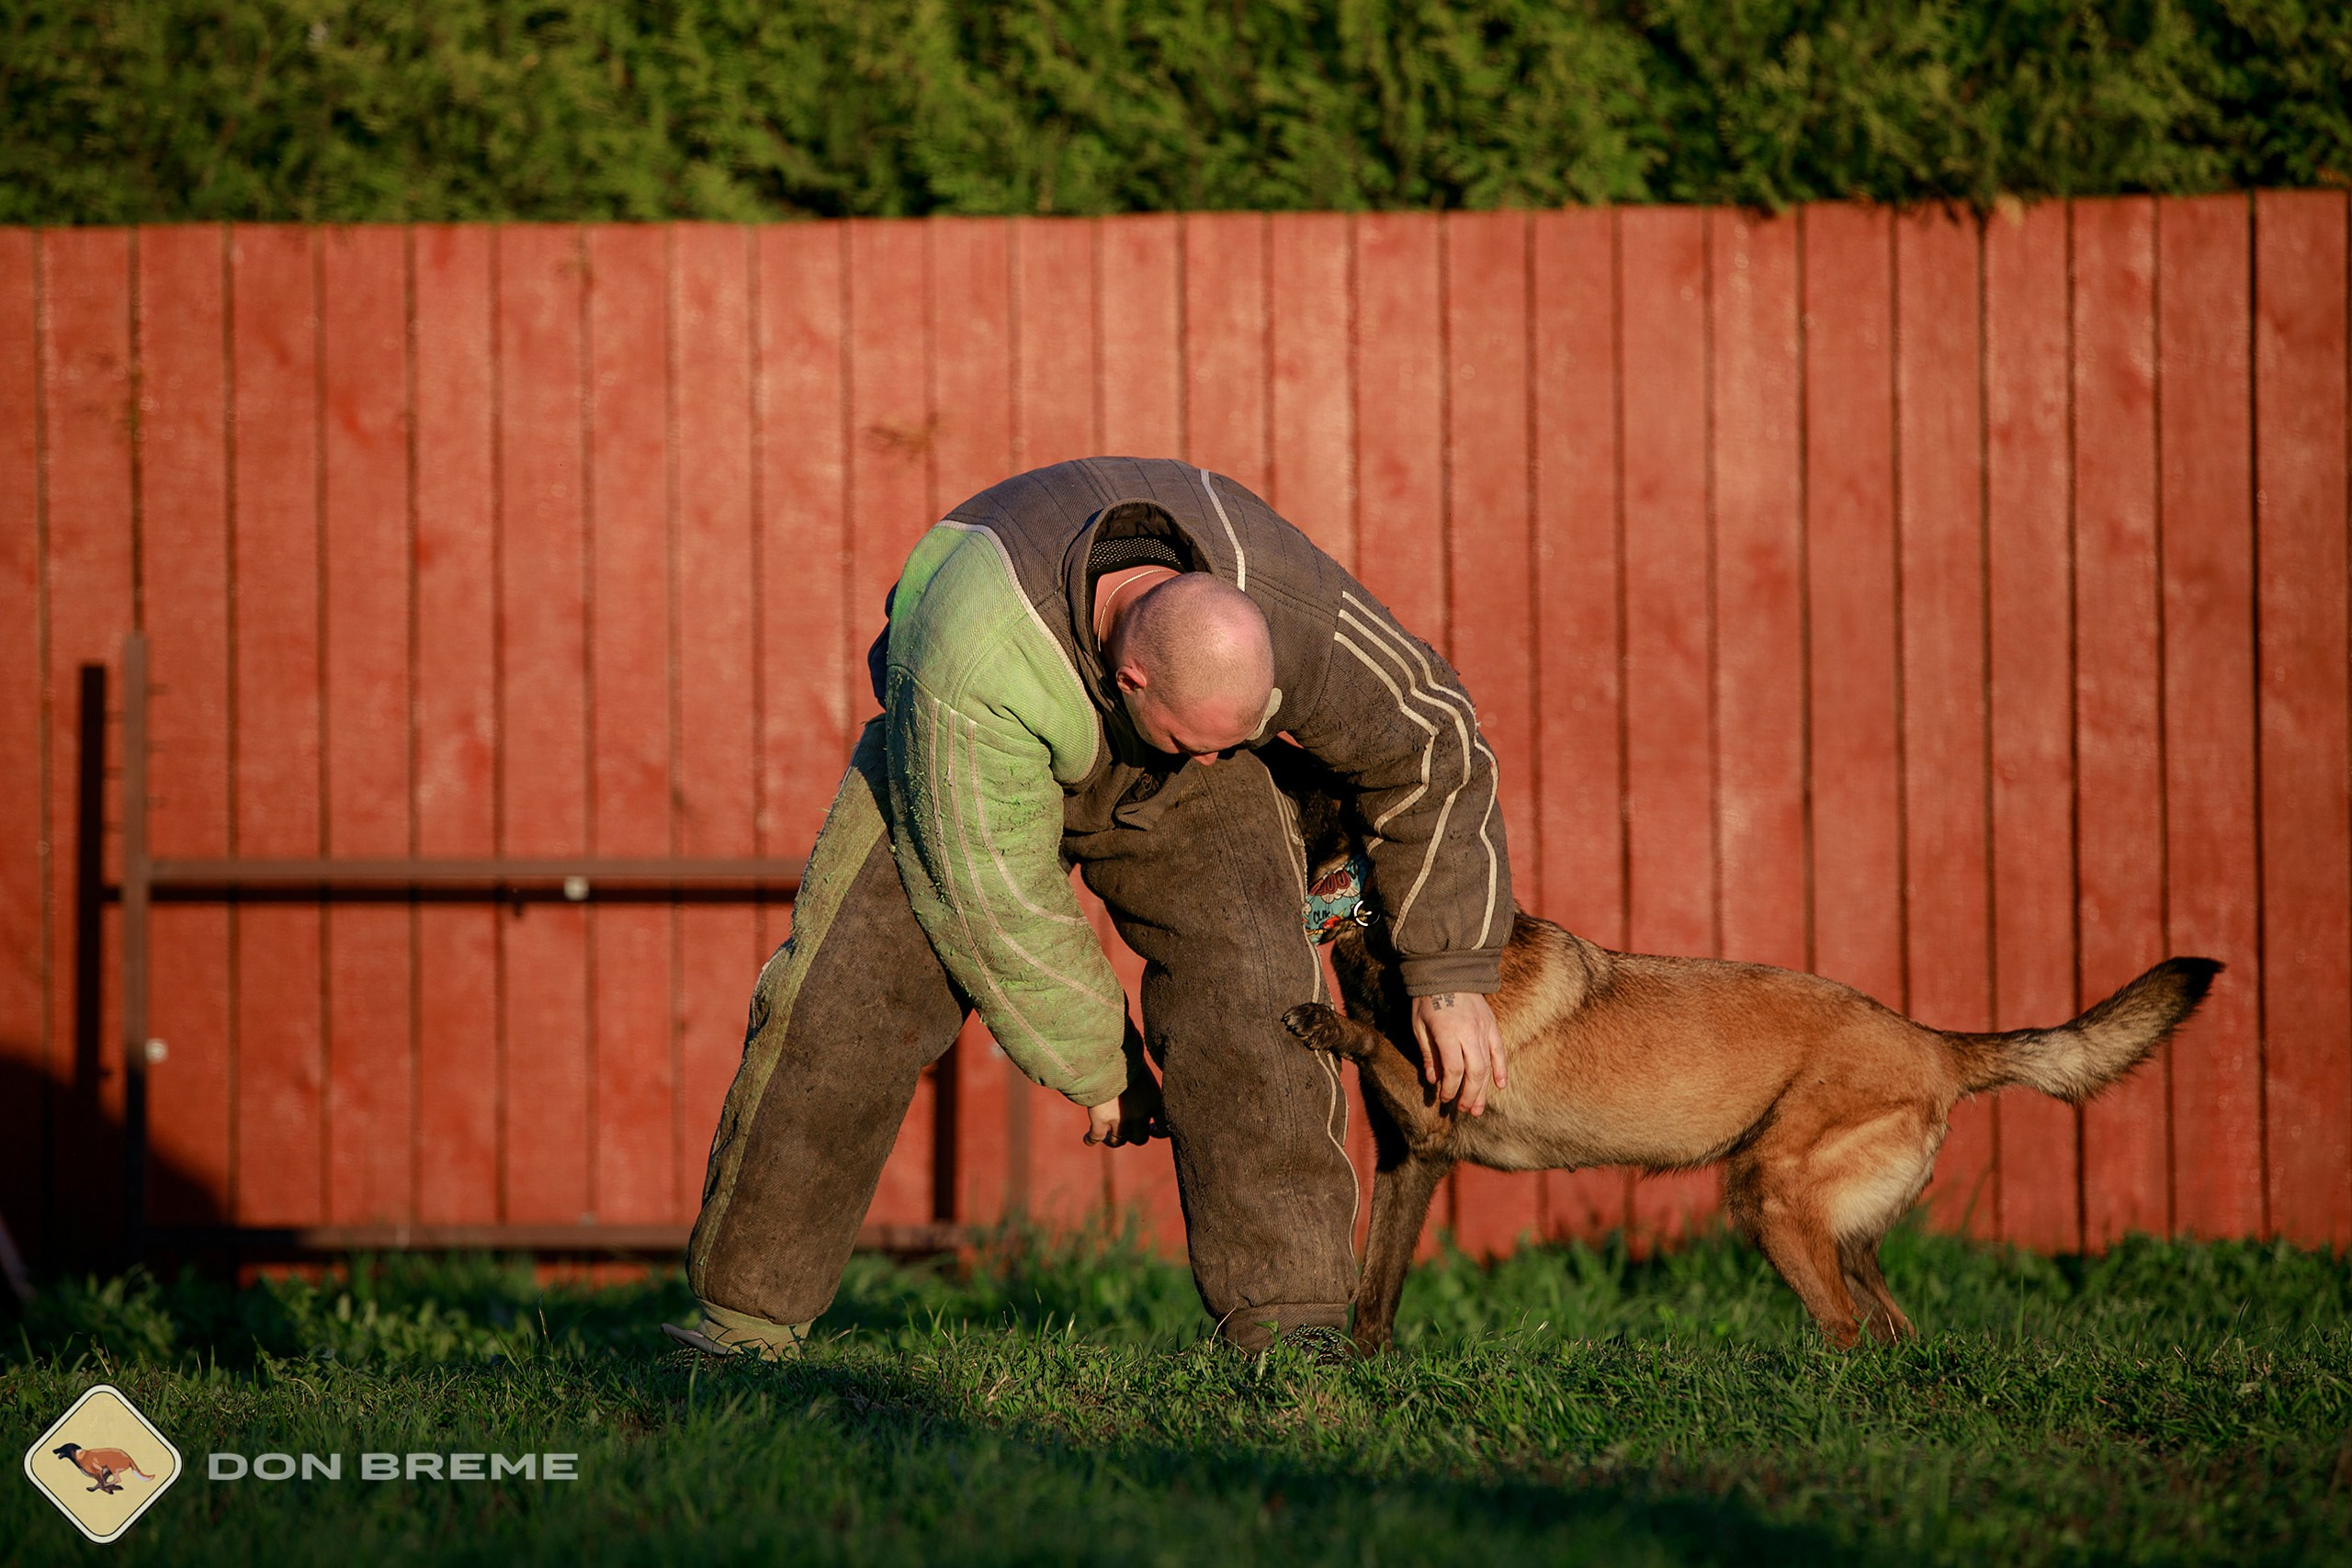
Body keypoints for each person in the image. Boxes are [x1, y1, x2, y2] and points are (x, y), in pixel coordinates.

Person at [669, 457, 1510, 1358]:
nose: (1217, 763)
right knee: (846, 1004)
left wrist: (1451, 970)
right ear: (1133, 678)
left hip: (1155, 732)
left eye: (1241, 735)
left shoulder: (1268, 603)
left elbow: (1431, 738)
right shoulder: (978, 652)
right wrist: (1101, 1066)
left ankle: (1291, 1329)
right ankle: (743, 1326)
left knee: (1259, 985)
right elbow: (995, 903)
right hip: (961, 749)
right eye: (1201, 742)